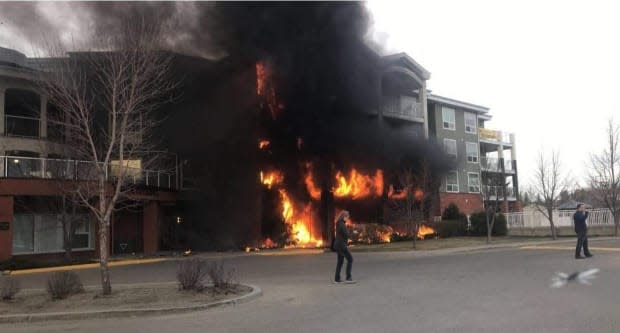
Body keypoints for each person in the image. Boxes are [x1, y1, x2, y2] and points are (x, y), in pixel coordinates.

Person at [334, 210, 355, 283]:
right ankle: (348, 278)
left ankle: (337, 279)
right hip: (341, 245)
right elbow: (346, 234)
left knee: (340, 262)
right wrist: (353, 233)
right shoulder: (341, 224)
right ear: (343, 217)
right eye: (347, 217)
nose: (348, 218)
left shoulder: (339, 223)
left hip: (338, 245)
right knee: (350, 259)